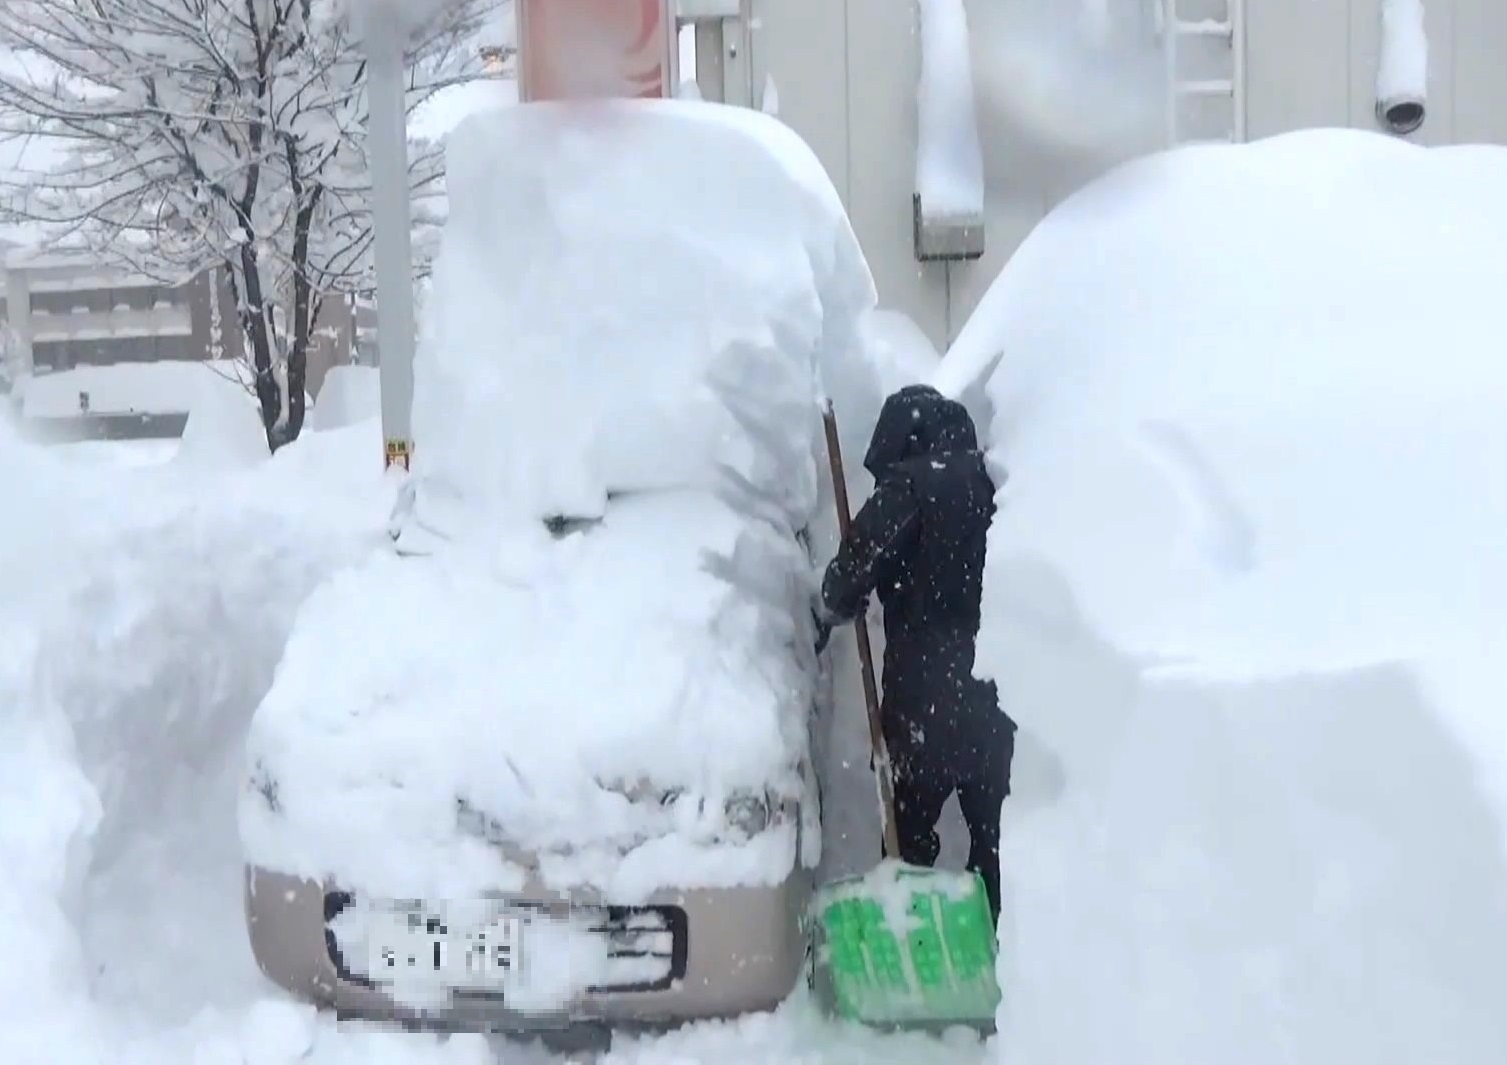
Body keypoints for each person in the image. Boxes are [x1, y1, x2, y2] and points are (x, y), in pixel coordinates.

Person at [814, 384, 1015, 921]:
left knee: (911, 835)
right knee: (996, 842)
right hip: (1001, 688)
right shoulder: (1000, 480)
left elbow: (849, 575)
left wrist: (833, 601)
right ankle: (999, 965)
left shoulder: (912, 485)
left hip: (929, 689)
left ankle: (917, 948)